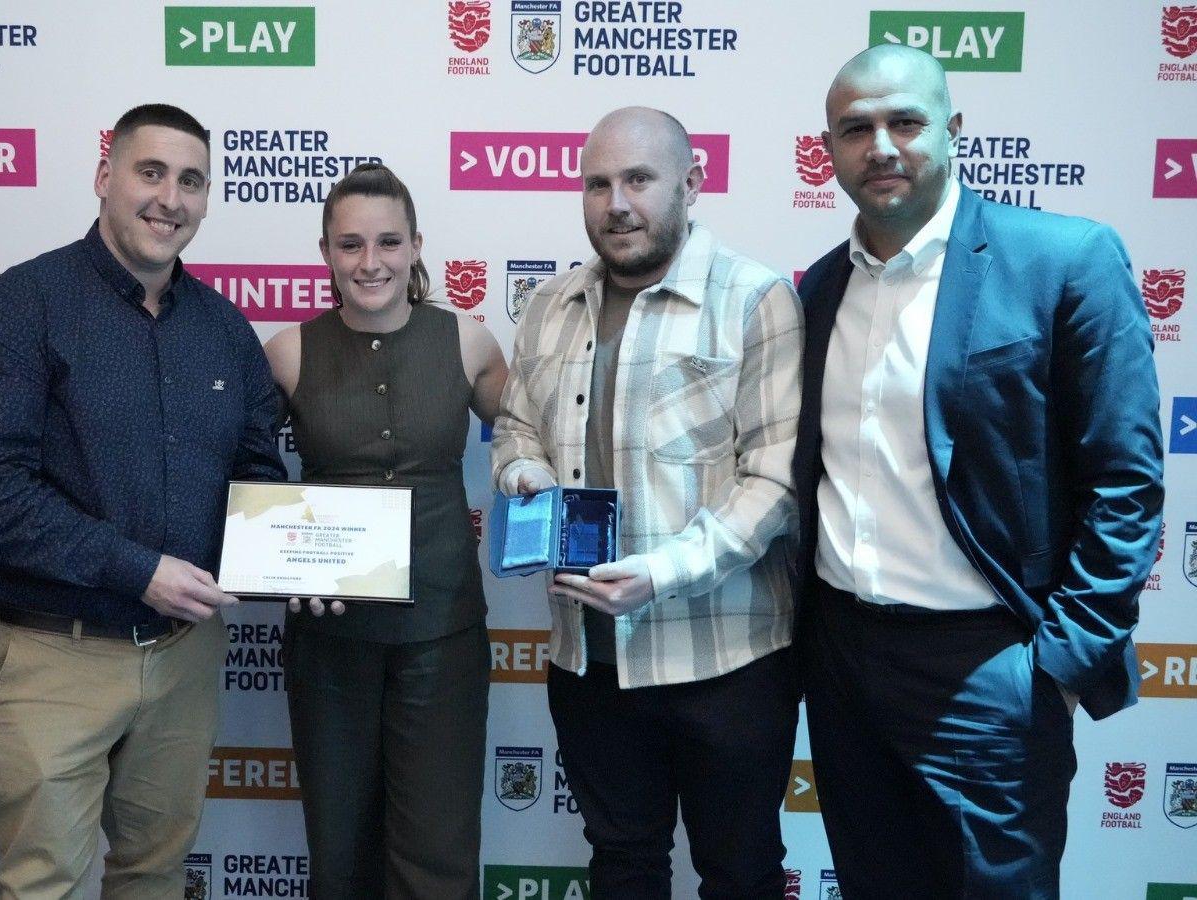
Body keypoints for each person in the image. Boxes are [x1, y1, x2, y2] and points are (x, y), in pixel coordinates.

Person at [792, 45, 1162, 898]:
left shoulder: (1064, 261)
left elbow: (1128, 482)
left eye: (905, 121)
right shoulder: (815, 292)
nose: (880, 145)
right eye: (856, 129)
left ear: (955, 131)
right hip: (845, 664)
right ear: (829, 150)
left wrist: (1055, 669)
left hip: (990, 668)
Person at [0, 102, 286, 899]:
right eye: (151, 172)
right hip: (53, 657)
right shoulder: (22, 306)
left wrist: (304, 562)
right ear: (106, 177)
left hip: (183, 656)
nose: (171, 197)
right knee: (43, 883)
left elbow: (256, 469)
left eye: (191, 181)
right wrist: (137, 570)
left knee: (155, 876)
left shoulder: (226, 330)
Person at [491, 107, 803, 898]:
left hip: (724, 661)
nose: (617, 203)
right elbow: (516, 427)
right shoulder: (550, 304)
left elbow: (774, 484)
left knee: (740, 875)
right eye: (598, 184)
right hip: (589, 656)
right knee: (623, 866)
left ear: (692, 183)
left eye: (639, 179)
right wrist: (524, 471)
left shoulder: (755, 298)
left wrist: (661, 574)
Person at [262, 162, 507, 899]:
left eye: (389, 242)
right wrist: (281, 560)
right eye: (350, 245)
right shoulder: (285, 352)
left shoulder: (468, 340)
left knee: (438, 849)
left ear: (417, 246)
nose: (370, 263)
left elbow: (534, 433)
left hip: (443, 633)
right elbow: (241, 477)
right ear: (326, 252)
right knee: (338, 852)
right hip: (328, 642)